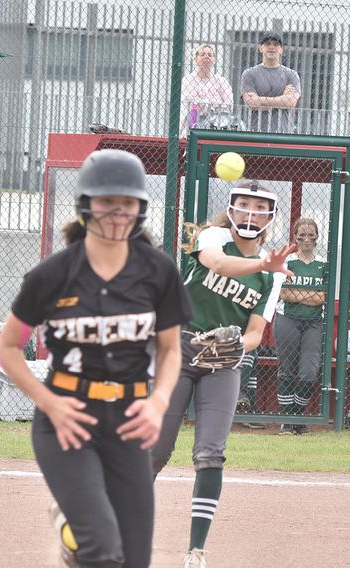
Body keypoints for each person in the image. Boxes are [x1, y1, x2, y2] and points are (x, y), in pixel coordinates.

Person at [0, 149, 192, 568]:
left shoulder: (158, 272)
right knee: (103, 551)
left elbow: (171, 349)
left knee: (134, 561)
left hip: (129, 418)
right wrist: (48, 403)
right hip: (68, 419)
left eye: (129, 203)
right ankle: (80, 533)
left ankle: (74, 532)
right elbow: (7, 348)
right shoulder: (53, 275)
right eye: (107, 202)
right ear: (86, 205)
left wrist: (159, 403)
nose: (118, 213)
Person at [151, 180, 295, 568]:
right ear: (231, 209)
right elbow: (217, 264)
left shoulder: (272, 272)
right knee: (157, 451)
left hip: (222, 362)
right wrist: (264, 264)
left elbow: (254, 334)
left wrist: (231, 346)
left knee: (210, 454)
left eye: (259, 207)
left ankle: (196, 550)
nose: (250, 213)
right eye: (243, 205)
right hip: (178, 349)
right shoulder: (214, 237)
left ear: (270, 217)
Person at [275, 218, 327, 435]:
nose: (306, 238)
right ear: (294, 237)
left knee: (309, 373)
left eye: (310, 234)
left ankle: (297, 414)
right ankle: (288, 421)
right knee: (287, 370)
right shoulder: (287, 261)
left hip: (313, 322)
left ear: (317, 236)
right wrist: (309, 296)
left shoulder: (323, 264)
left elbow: (322, 298)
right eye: (301, 234)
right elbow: (284, 294)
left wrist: (299, 295)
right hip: (287, 318)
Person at [240, 32, 301, 134]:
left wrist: (260, 100)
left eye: (276, 44)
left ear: (281, 50)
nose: (271, 47)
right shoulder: (249, 74)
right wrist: (282, 99)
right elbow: (251, 103)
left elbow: (291, 102)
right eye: (267, 44)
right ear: (260, 48)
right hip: (256, 132)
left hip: (283, 133)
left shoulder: (291, 74)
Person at [180, 44, 234, 134]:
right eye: (202, 54)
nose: (206, 57)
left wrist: (204, 103)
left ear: (214, 60)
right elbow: (190, 103)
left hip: (216, 124)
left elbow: (228, 104)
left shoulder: (221, 81)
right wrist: (214, 105)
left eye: (210, 55)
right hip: (193, 124)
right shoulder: (188, 80)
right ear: (196, 59)